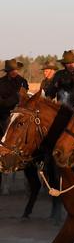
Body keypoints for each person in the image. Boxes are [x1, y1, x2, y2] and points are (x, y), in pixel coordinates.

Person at [0, 59, 29, 196]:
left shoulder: (23, 81)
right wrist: (14, 99)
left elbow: (26, 100)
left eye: (16, 69)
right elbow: (2, 102)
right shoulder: (1, 83)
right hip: (5, 115)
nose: (14, 72)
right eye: (12, 70)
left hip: (20, 116)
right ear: (8, 71)